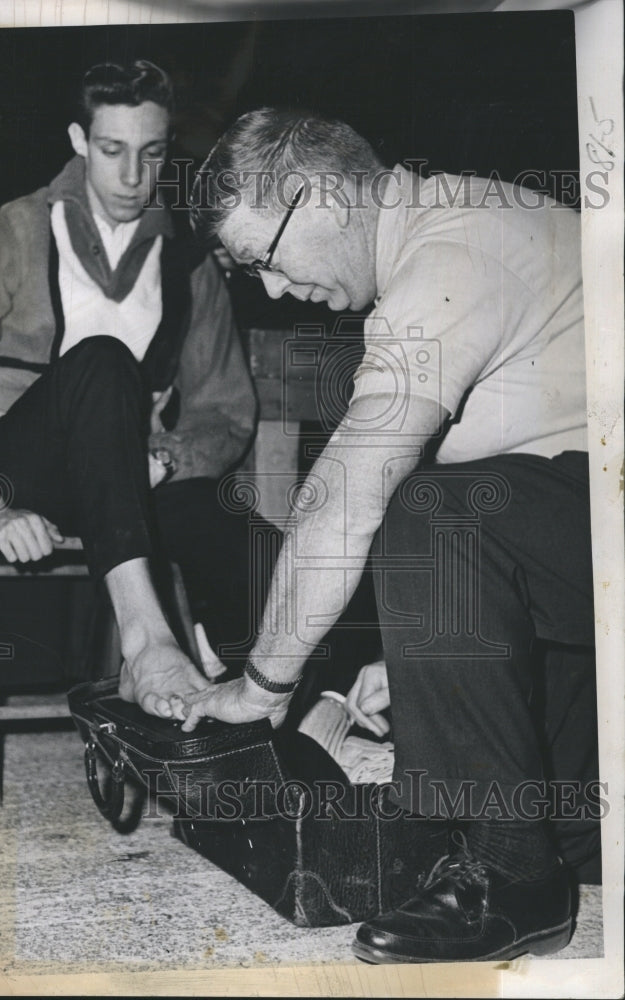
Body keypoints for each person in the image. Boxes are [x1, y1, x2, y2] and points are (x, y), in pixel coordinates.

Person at [180, 108, 597, 964]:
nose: (267, 289)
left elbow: (343, 499)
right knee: (579, 830)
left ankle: (515, 877)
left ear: (320, 194)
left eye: (262, 257)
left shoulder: (452, 253)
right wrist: (426, 661)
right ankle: (533, 845)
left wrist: (260, 690)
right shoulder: (457, 225)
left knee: (431, 511)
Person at [0, 61, 259, 732]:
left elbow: (226, 413)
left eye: (150, 154)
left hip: (126, 480)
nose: (131, 176)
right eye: (112, 150)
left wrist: (171, 458)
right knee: (101, 360)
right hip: (18, 470)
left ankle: (256, 717)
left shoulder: (185, 261)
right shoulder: (15, 231)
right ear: (79, 141)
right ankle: (145, 642)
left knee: (241, 530)